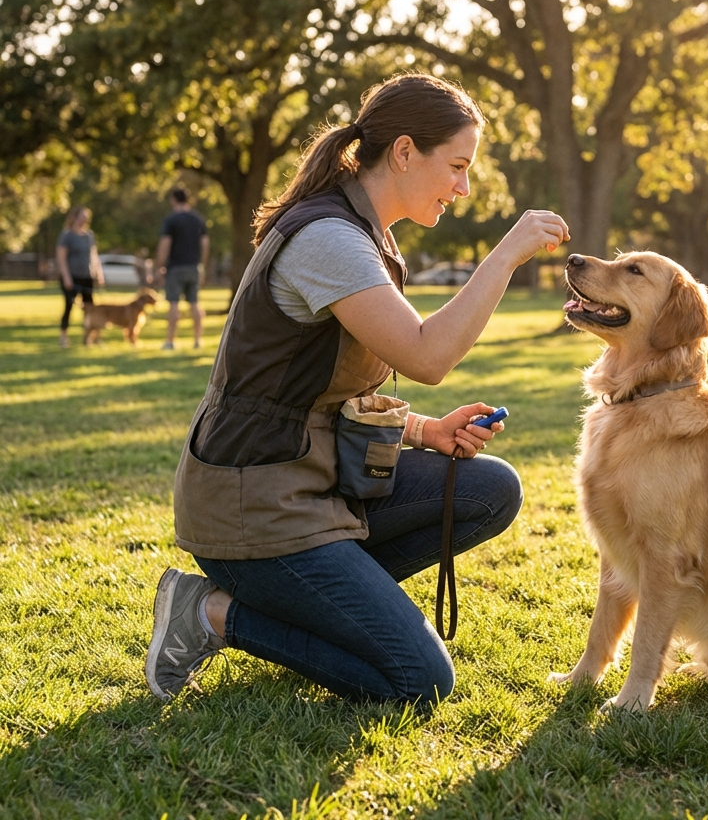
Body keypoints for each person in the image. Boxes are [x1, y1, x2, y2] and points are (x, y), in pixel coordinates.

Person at [145, 74, 570, 705]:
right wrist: (504, 255)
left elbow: (330, 393)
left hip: (316, 485)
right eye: (457, 166)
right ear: (404, 152)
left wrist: (425, 431)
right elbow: (426, 356)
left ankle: (324, 611)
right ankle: (208, 612)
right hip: (254, 506)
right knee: (420, 680)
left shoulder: (367, 234)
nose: (463, 187)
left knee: (490, 489)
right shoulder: (330, 238)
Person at [155, 188, 209, 350]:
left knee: (173, 303)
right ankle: (197, 340)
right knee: (194, 303)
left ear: (173, 199)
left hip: (175, 268)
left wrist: (159, 266)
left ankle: (170, 341)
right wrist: (202, 265)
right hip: (193, 267)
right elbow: (205, 244)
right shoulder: (198, 219)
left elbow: (165, 244)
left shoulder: (171, 220)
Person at [55, 206, 105, 348]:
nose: (85, 219)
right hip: (72, 276)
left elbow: (93, 255)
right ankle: (64, 336)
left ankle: (90, 338)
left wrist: (98, 273)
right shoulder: (67, 235)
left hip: (87, 276)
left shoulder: (89, 235)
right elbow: (61, 258)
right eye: (82, 216)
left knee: (91, 309)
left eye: (86, 217)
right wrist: (67, 277)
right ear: (75, 217)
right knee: (69, 306)